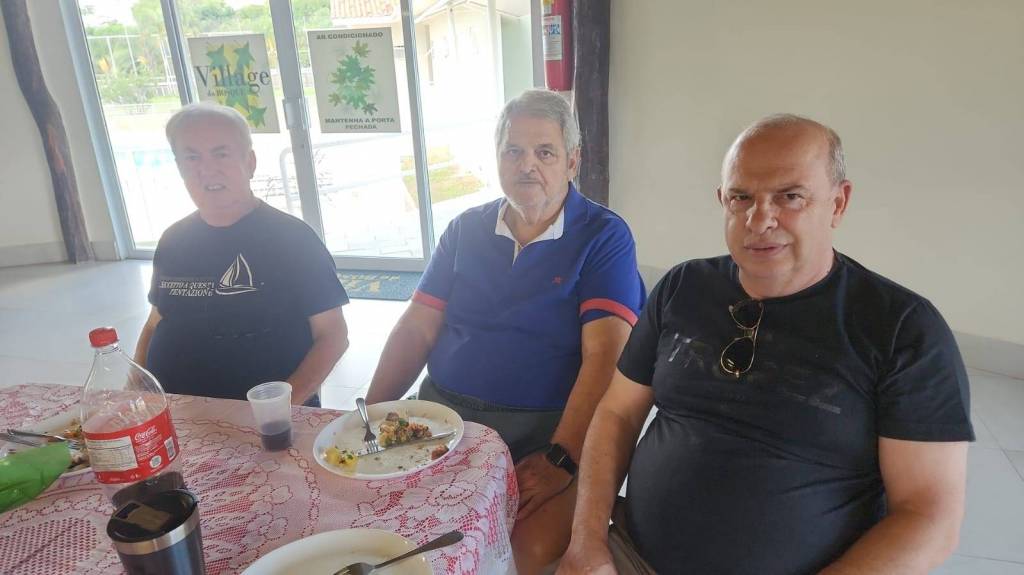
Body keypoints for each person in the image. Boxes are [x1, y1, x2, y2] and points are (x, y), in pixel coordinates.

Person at [559, 114, 974, 574]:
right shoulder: (684, 287)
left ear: (838, 203)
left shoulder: (902, 330)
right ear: (722, 200)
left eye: (790, 197)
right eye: (741, 198)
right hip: (628, 557)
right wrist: (587, 541)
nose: (759, 220)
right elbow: (617, 413)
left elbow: (929, 516)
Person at [365, 89, 645, 573]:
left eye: (545, 152)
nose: (526, 165)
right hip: (442, 420)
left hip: (547, 432)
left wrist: (561, 457)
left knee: (517, 551)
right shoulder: (464, 229)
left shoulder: (603, 235)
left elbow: (606, 356)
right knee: (390, 532)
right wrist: (368, 416)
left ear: (573, 161)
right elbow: (417, 328)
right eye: (513, 150)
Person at [135, 103, 349, 407]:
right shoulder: (173, 239)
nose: (207, 169)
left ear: (250, 162)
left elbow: (333, 335)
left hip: (267, 420)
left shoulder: (293, 239)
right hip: (176, 413)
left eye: (221, 154)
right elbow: (154, 322)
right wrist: (135, 389)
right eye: (192, 157)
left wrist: (279, 409)